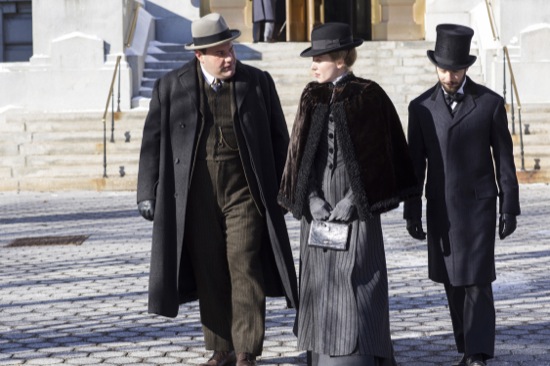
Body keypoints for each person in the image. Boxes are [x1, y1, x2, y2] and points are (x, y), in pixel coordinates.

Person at [136, 13, 298, 366]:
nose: (229, 59)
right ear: (200, 55)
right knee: (209, 270)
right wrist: (146, 192)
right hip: (195, 195)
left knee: (244, 266)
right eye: (221, 53)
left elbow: (279, 138)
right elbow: (152, 143)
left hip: (245, 192)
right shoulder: (170, 87)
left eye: (231, 50)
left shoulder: (257, 83)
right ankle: (220, 349)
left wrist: (288, 188)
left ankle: (246, 351)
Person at [278, 22, 419, 366]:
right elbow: (299, 155)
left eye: (320, 57)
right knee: (318, 279)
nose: (313, 65)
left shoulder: (368, 96)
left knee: (358, 278)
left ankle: (361, 351)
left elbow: (383, 156)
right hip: (319, 208)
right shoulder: (311, 96)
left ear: (341, 59)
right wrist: (310, 197)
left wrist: (354, 200)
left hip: (357, 209)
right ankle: (319, 351)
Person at [404, 24, 521, 366]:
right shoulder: (420, 107)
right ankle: (467, 343)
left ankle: (477, 352)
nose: (449, 76)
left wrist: (509, 207)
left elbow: (504, 159)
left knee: (477, 280)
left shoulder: (489, 103)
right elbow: (415, 166)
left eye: (455, 70)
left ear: (466, 68)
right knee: (452, 280)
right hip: (441, 209)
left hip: (479, 207)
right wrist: (412, 211)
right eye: (443, 69)